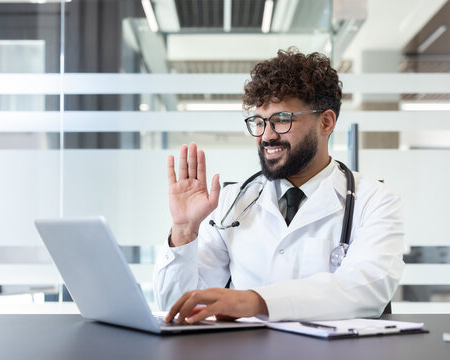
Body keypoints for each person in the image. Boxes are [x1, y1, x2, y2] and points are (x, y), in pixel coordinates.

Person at [153, 49, 404, 324]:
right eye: (259, 122)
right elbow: (176, 307)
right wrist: (184, 230)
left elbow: (368, 288)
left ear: (326, 122)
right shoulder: (229, 203)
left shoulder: (375, 200)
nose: (267, 136)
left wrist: (256, 302)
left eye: (282, 120)